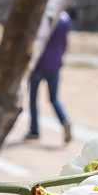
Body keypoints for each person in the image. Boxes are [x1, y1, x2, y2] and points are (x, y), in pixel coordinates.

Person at [26, 8, 74, 144]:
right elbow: (65, 42)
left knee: (33, 99)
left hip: (38, 64)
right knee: (54, 98)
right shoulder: (64, 17)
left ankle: (34, 130)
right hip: (55, 64)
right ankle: (64, 120)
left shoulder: (41, 16)